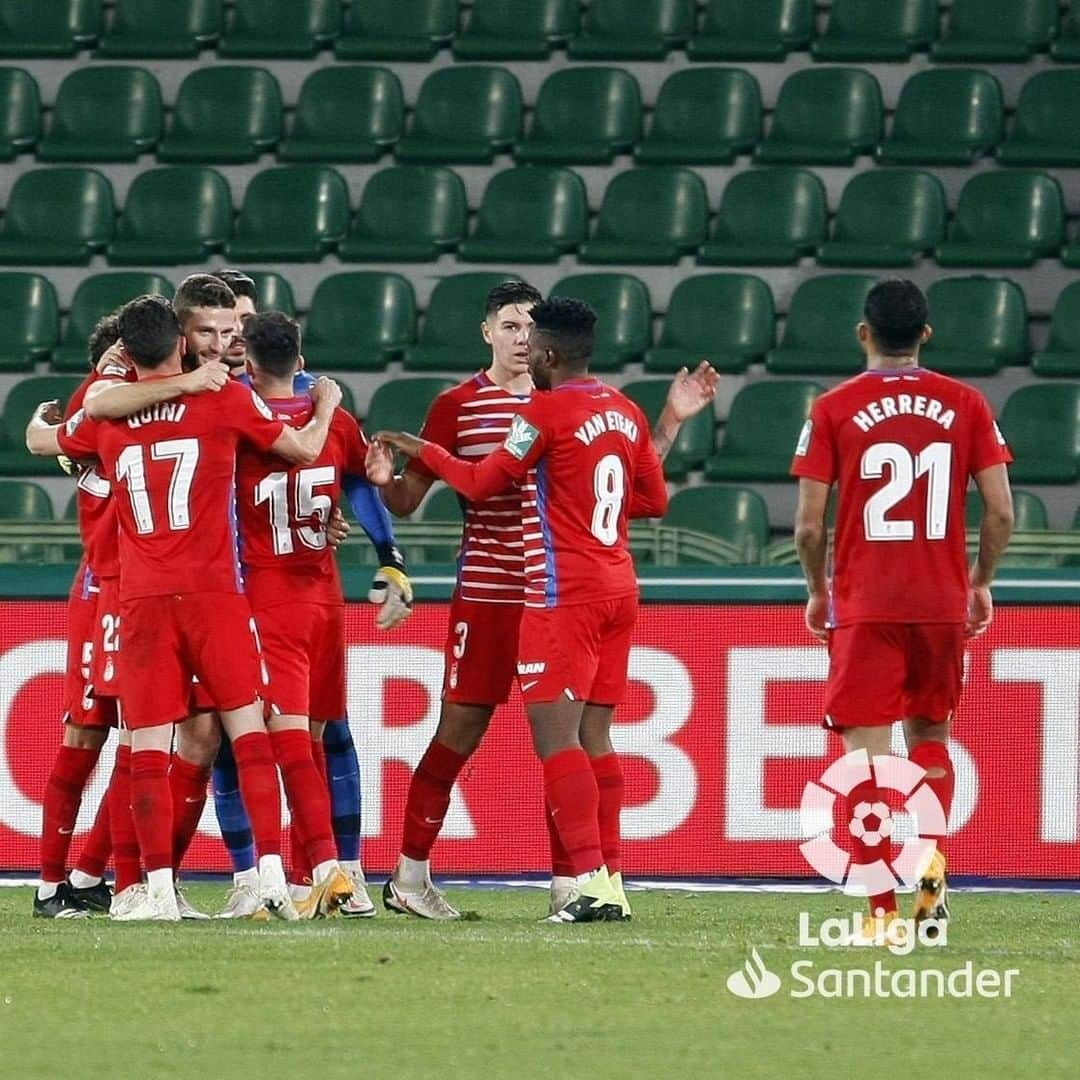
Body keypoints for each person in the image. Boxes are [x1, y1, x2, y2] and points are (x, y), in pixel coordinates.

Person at [375, 297, 701, 923]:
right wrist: (389, 478)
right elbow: (408, 500)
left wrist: (426, 451)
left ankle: (573, 884)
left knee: (566, 742)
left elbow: (479, 483)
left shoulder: (543, 412)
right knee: (471, 734)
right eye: (510, 326)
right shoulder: (462, 405)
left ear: (548, 347)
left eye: (531, 328)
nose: (522, 339)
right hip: (496, 594)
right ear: (489, 331)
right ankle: (412, 876)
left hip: (553, 594)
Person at [29, 295, 342, 921]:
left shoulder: (107, 415)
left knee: (143, 744)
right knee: (248, 730)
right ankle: (274, 878)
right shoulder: (220, 398)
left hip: (141, 597)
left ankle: (156, 891)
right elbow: (304, 450)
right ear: (181, 343)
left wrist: (38, 428)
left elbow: (55, 435)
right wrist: (328, 405)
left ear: (125, 356)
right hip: (215, 594)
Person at [790, 278, 1014, 937]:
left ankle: (882, 913)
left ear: (863, 333)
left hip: (867, 605)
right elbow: (1000, 510)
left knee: (864, 758)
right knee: (930, 740)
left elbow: (807, 527)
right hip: (941, 604)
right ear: (925, 335)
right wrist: (979, 580)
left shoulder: (831, 409)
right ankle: (934, 870)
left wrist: (816, 589)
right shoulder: (967, 403)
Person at [32, 315, 127, 918]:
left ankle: (91, 874)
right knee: (86, 732)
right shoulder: (98, 404)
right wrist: (40, 433)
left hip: (155, 590)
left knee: (154, 741)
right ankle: (48, 885)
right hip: (104, 590)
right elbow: (51, 439)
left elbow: (45, 439)